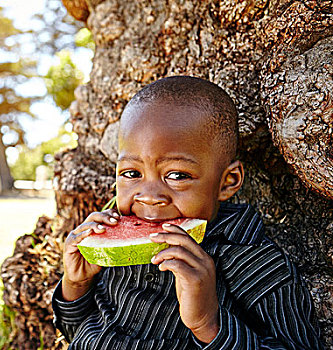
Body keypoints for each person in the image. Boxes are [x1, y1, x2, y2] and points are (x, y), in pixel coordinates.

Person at [52, 76, 323, 349]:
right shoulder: (110, 239)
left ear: (227, 182)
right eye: (132, 173)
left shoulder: (255, 262)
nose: (149, 196)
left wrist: (209, 323)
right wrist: (76, 285)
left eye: (177, 175)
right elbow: (79, 331)